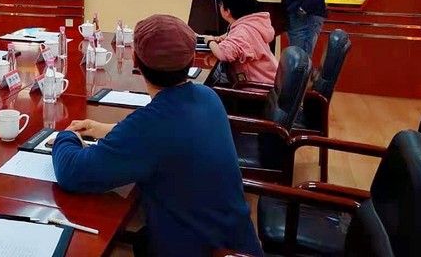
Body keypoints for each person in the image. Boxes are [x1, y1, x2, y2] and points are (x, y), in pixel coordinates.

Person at [51, 14, 263, 257]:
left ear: (135, 60)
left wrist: (66, 136)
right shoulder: (207, 96)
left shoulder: (148, 128)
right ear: (191, 59)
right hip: (237, 243)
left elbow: (72, 172)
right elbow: (165, 133)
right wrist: (105, 129)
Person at [201, 0, 278, 85]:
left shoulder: (241, 32)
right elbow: (236, 35)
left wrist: (209, 41)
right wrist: (223, 38)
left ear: (227, 11)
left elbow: (223, 54)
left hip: (258, 87)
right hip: (271, 79)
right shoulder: (253, 23)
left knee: (209, 81)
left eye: (221, 4)